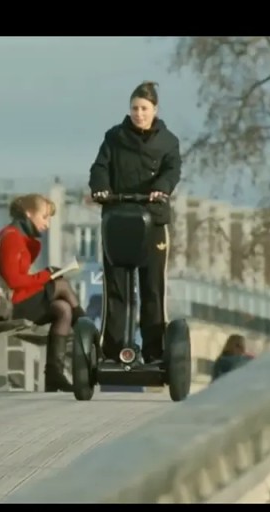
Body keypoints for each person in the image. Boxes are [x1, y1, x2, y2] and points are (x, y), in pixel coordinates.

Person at [88, 80, 182, 364]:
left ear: (155, 109)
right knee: (117, 289)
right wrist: (100, 188)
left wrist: (161, 188)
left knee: (152, 288)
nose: (138, 113)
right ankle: (112, 351)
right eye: (134, 108)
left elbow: (172, 170)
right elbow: (100, 167)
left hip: (153, 221)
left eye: (144, 108)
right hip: (118, 219)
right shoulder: (114, 137)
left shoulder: (168, 141)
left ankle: (154, 352)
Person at [0, 194, 83, 392]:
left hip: (12, 300)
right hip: (3, 305)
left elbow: (20, 280)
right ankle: (89, 335)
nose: (47, 224)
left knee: (63, 309)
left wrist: (45, 273)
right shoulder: (11, 237)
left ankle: (54, 374)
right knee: (62, 286)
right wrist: (46, 276)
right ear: (28, 213)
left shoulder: (21, 238)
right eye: (44, 217)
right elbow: (14, 281)